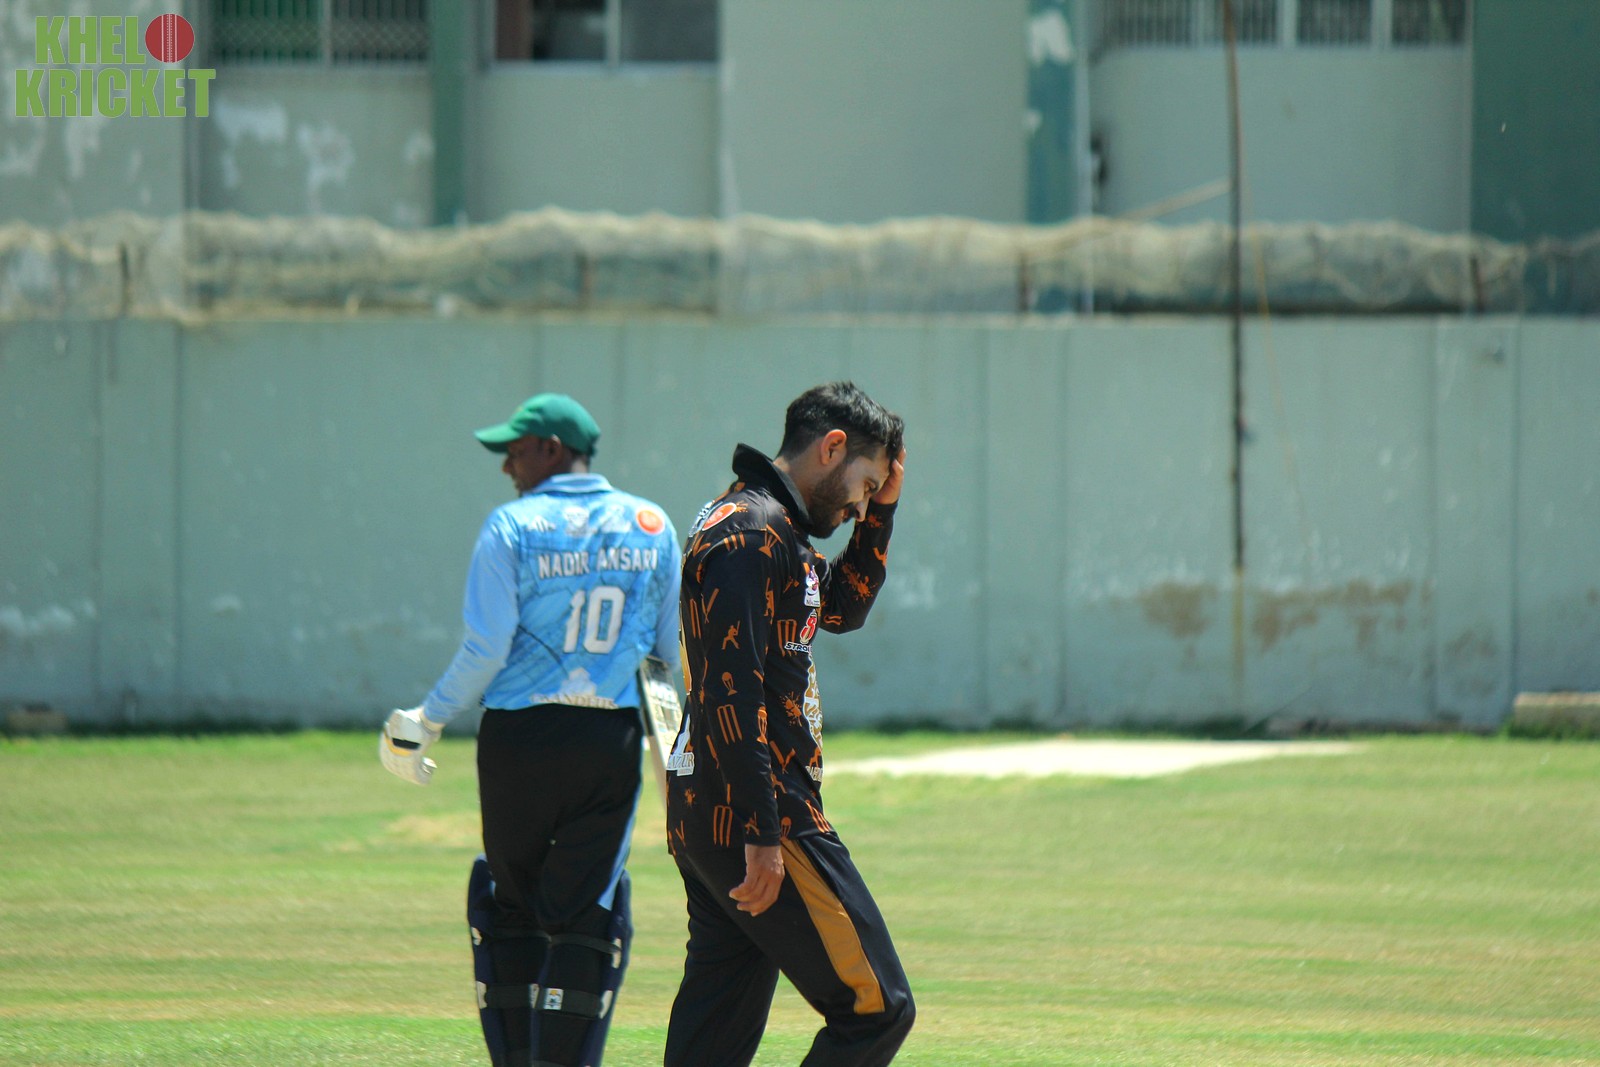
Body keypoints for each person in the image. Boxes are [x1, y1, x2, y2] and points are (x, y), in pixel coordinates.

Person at [379, 392, 680, 1067]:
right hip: (607, 742)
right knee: (586, 913)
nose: (507, 466)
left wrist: (427, 719)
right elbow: (664, 661)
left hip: (518, 741)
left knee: (511, 905)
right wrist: (674, 763)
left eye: (515, 450)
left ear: (551, 448)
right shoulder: (652, 524)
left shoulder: (511, 526)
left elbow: (487, 648)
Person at [662, 380, 914, 1067]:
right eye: (864, 484)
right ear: (832, 447)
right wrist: (763, 832)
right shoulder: (751, 533)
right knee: (877, 1006)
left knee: (713, 1038)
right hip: (759, 809)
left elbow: (844, 606)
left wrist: (882, 512)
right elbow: (732, 692)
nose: (860, 503)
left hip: (716, 809)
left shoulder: (773, 527)